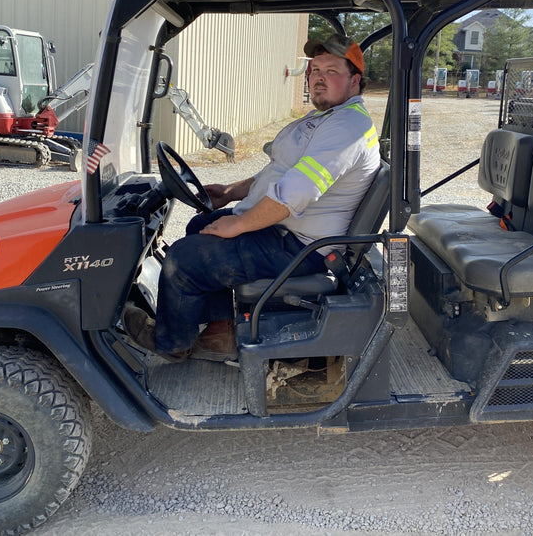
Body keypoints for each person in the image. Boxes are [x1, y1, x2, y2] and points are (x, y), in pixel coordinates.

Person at [123, 33, 381, 362]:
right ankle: (220, 331)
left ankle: (172, 344)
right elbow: (279, 171)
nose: (318, 78)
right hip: (289, 231)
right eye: (315, 70)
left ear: (355, 80)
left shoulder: (347, 127)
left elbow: (297, 191)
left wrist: (241, 223)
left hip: (302, 248)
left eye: (331, 71)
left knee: (183, 259)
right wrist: (231, 192)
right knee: (202, 224)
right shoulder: (328, 117)